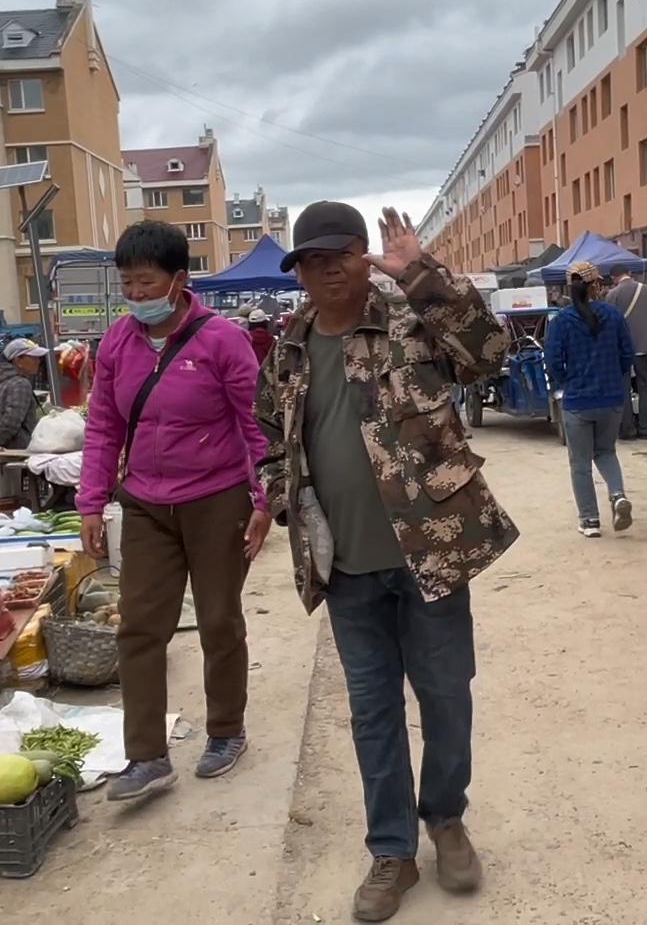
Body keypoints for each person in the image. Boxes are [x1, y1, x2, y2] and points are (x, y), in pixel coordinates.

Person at [255, 201, 515, 922]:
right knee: (373, 713)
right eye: (311, 258)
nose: (326, 266)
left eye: (340, 252)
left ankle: (447, 820)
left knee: (446, 695)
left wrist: (426, 278)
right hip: (345, 568)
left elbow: (492, 354)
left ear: (364, 255)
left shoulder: (409, 322)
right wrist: (284, 501)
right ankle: (392, 852)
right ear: (299, 271)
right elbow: (268, 438)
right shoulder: (288, 349)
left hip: (431, 550)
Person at [76, 220, 273, 800]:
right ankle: (146, 756)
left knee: (217, 619)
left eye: (146, 282)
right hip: (145, 504)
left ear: (179, 280)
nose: (135, 295)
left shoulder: (222, 340)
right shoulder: (115, 342)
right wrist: (91, 501)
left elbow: (256, 425)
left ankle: (226, 731)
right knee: (139, 626)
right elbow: (103, 425)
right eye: (127, 284)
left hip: (217, 499)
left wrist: (263, 499)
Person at [544, 261, 636, 537]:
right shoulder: (613, 315)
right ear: (596, 284)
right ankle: (618, 495)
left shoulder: (561, 321)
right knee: (606, 452)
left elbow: (552, 360)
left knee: (580, 463)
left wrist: (567, 382)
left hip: (578, 401)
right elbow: (627, 353)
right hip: (611, 398)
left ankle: (590, 521)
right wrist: (615, 376)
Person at [606, 264, 647, 439]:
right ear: (629, 273)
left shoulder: (612, 295)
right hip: (645, 346)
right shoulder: (645, 290)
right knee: (645, 387)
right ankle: (645, 427)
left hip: (623, 349)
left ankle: (628, 429)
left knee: (624, 388)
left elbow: (609, 322)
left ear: (614, 277)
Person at [0, 337, 48, 450]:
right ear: (18, 360)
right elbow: (11, 422)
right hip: (16, 448)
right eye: (33, 357)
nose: (38, 361)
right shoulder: (21, 384)